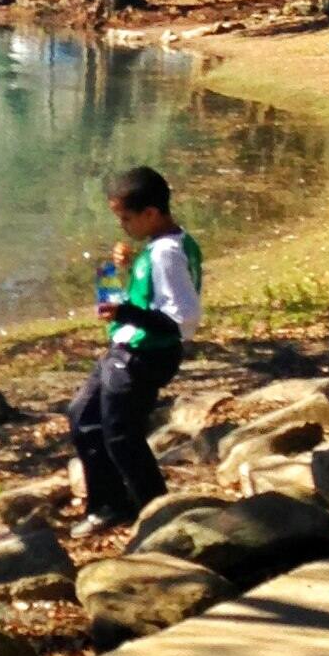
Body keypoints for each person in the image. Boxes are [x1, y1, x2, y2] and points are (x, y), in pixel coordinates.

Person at [69, 164, 203, 538]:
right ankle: (112, 503)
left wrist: (125, 312)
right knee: (84, 415)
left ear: (151, 213)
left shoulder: (166, 254)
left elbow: (183, 317)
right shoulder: (160, 246)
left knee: (120, 432)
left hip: (143, 356)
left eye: (127, 218)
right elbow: (151, 295)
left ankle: (152, 509)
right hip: (126, 348)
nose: (123, 226)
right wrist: (120, 273)